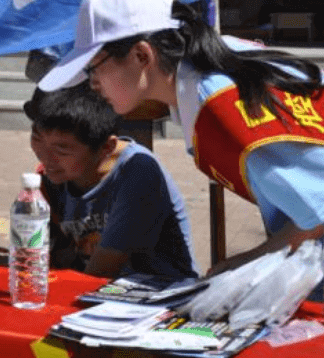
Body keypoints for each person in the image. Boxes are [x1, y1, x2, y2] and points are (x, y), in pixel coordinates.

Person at [38, 0, 324, 275]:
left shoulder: (218, 108)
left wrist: (247, 263)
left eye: (93, 68)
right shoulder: (219, 67)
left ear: (141, 55)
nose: (92, 84)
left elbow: (321, 212)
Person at [24, 82, 199, 280]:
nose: (45, 157)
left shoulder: (137, 172)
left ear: (107, 147)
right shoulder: (49, 179)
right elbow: (42, 259)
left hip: (155, 294)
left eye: (61, 149)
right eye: (37, 138)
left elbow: (100, 272)